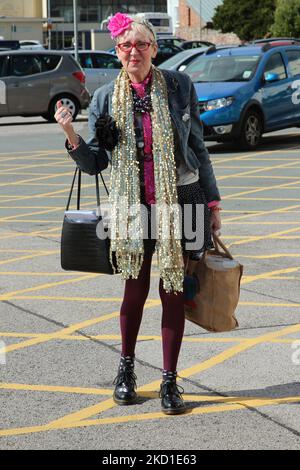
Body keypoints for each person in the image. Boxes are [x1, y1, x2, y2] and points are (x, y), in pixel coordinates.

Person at [55, 12, 221, 415]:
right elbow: (96, 163)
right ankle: (126, 371)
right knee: (134, 291)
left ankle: (169, 381)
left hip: (183, 201)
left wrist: (213, 204)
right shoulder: (104, 99)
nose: (134, 51)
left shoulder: (179, 86)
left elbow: (197, 147)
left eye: (141, 44)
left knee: (174, 292)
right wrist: (70, 133)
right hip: (132, 207)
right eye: (126, 45)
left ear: (154, 49)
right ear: (117, 52)